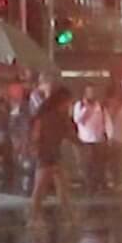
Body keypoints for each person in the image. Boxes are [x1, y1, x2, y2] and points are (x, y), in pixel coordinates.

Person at [29, 86, 77, 223]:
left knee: (57, 190)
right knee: (43, 191)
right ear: (62, 101)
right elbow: (70, 135)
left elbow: (36, 135)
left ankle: (69, 218)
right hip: (47, 156)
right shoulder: (54, 117)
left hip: (50, 155)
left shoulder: (48, 116)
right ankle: (33, 219)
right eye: (68, 102)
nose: (69, 105)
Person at [72, 83, 109, 193]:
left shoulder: (100, 106)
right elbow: (78, 120)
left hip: (99, 140)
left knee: (99, 165)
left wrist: (108, 136)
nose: (92, 94)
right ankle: (89, 187)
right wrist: (86, 108)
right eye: (89, 91)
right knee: (88, 165)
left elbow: (106, 121)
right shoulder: (79, 105)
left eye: (93, 91)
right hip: (86, 140)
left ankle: (99, 186)